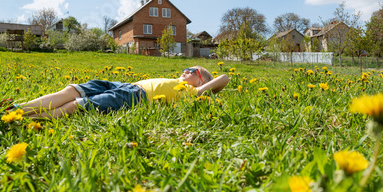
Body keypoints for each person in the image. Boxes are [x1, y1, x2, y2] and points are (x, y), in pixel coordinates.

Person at [18, 66, 229, 119]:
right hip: (123, 84)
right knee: (72, 90)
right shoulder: (177, 82)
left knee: (78, 104)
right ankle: (19, 108)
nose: (185, 71)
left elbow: (224, 79)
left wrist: (204, 88)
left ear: (201, 80)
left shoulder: (192, 92)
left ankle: (31, 119)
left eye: (192, 71)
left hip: (135, 97)